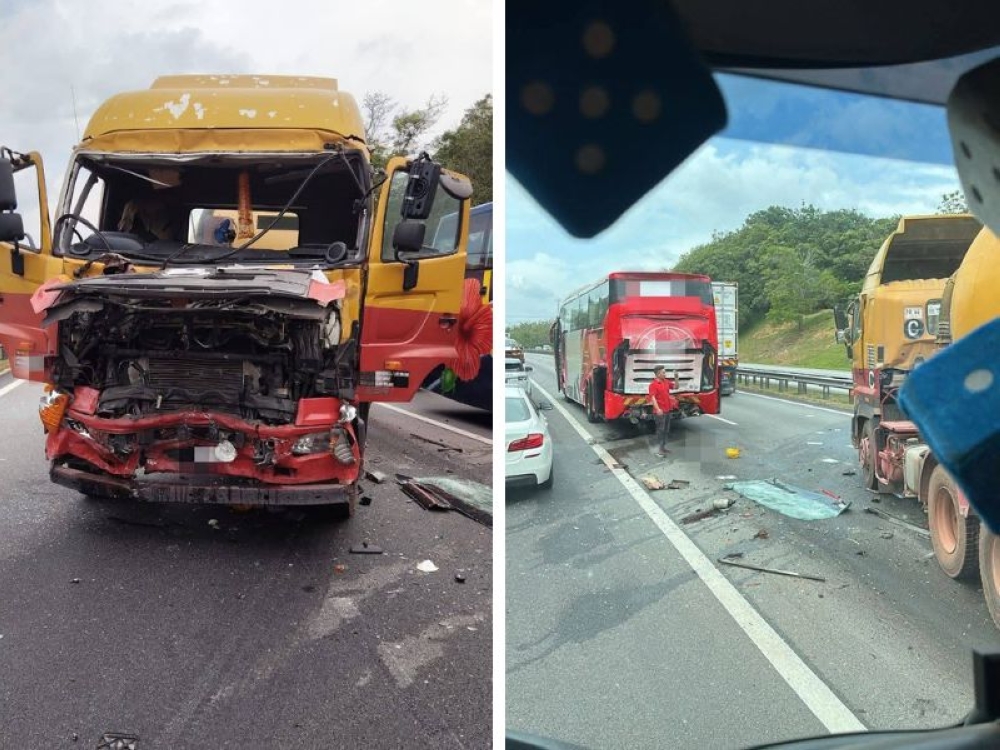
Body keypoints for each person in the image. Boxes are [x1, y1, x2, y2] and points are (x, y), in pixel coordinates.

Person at [648, 366, 677, 457]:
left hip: (668, 410)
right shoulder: (653, 384)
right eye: (663, 372)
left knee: (666, 430)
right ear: (658, 374)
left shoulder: (666, 382)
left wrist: (676, 378)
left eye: (665, 372)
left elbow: (676, 387)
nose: (665, 374)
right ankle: (659, 449)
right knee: (660, 430)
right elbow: (653, 398)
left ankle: (663, 447)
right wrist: (657, 409)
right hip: (660, 412)